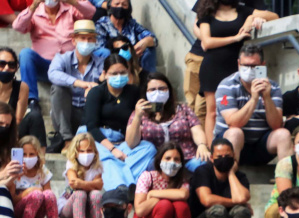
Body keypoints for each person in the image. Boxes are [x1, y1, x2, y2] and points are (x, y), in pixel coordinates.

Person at [197, 0, 275, 144]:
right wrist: (236, 38)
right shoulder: (207, 14)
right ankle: (212, 150)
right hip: (213, 66)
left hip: (240, 66)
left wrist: (252, 19)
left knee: (237, 107)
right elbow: (206, 43)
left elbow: (274, 16)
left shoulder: (244, 11)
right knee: (212, 112)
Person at [81, 53, 156, 191]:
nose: (118, 76)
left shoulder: (134, 92)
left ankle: (122, 182)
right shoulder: (96, 92)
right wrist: (113, 150)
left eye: (122, 72)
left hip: (124, 140)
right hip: (100, 140)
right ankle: (125, 188)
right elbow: (92, 127)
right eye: (114, 73)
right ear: (104, 74)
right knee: (107, 160)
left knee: (149, 149)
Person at [214, 43, 292, 165]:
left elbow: (277, 125)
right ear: (239, 64)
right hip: (230, 144)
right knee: (235, 133)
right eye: (245, 65)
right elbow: (233, 122)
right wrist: (254, 99)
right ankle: (230, 179)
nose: (249, 70)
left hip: (260, 145)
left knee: (284, 135)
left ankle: (286, 179)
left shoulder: (273, 87)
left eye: (254, 66)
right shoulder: (226, 86)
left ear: (262, 66)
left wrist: (267, 97)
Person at [11, 0, 95, 112]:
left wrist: (72, 2)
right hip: (45, 66)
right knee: (25, 54)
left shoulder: (69, 9)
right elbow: (17, 26)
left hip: (70, 66)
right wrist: (33, 6)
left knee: (102, 53)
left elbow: (91, 12)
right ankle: (31, 100)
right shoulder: (35, 12)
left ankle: (98, 92)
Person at [125, 72, 209, 173]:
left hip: (186, 159)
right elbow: (131, 143)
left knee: (202, 163)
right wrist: (138, 117)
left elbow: (196, 129)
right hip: (157, 163)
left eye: (162, 89)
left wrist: (202, 145)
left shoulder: (183, 109)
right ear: (146, 93)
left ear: (169, 90)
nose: (157, 92)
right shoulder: (140, 113)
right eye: (152, 89)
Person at [0, 47, 47, 147]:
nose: (6, 68)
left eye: (11, 65)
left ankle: (41, 159)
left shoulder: (22, 88)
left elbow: (18, 120)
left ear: (16, 68)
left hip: (11, 131)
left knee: (35, 116)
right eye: (2, 64)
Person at [46, 19, 102, 154]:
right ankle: (67, 141)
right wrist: (79, 83)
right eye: (82, 38)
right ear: (74, 40)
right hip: (66, 114)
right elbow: (52, 74)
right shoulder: (62, 58)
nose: (87, 42)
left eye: (90, 39)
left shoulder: (101, 62)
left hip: (89, 112)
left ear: (95, 42)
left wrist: (96, 88)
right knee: (58, 88)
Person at [190, 137, 251, 218]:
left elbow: (242, 197)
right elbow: (207, 200)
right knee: (218, 210)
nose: (224, 159)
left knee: (242, 211)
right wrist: (235, 202)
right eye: (219, 157)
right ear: (212, 158)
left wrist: (231, 173)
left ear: (234, 156)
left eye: (228, 156)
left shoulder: (240, 176)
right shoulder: (203, 171)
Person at [132, 141, 192, 218]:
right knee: (165, 205)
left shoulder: (182, 180)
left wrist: (153, 194)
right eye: (168, 158)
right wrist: (161, 199)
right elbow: (140, 210)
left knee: (180, 205)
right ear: (160, 160)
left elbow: (183, 194)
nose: (172, 162)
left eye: (176, 159)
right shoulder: (147, 176)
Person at [11, 135, 64, 218]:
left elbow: (49, 199)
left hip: (36, 214)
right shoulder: (14, 170)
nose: (28, 157)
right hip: (18, 212)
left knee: (49, 194)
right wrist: (29, 191)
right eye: (24, 154)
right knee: (36, 194)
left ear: (37, 155)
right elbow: (12, 200)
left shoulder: (42, 171)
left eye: (31, 154)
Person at [61, 132, 103, 218]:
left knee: (96, 195)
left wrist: (81, 183)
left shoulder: (97, 167)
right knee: (80, 194)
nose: (86, 154)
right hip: (68, 211)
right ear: (75, 152)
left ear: (94, 152)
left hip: (88, 210)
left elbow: (99, 185)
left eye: (89, 150)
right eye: (82, 151)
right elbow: (74, 184)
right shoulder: (71, 164)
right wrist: (91, 184)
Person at [94, 0, 155, 72]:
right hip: (111, 61)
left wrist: (146, 41)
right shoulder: (102, 24)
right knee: (105, 52)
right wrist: (127, 53)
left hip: (131, 62)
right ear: (110, 6)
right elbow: (99, 48)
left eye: (124, 4)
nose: (120, 7)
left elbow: (152, 38)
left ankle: (148, 78)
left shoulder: (131, 24)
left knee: (149, 48)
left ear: (129, 8)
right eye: (117, 4)